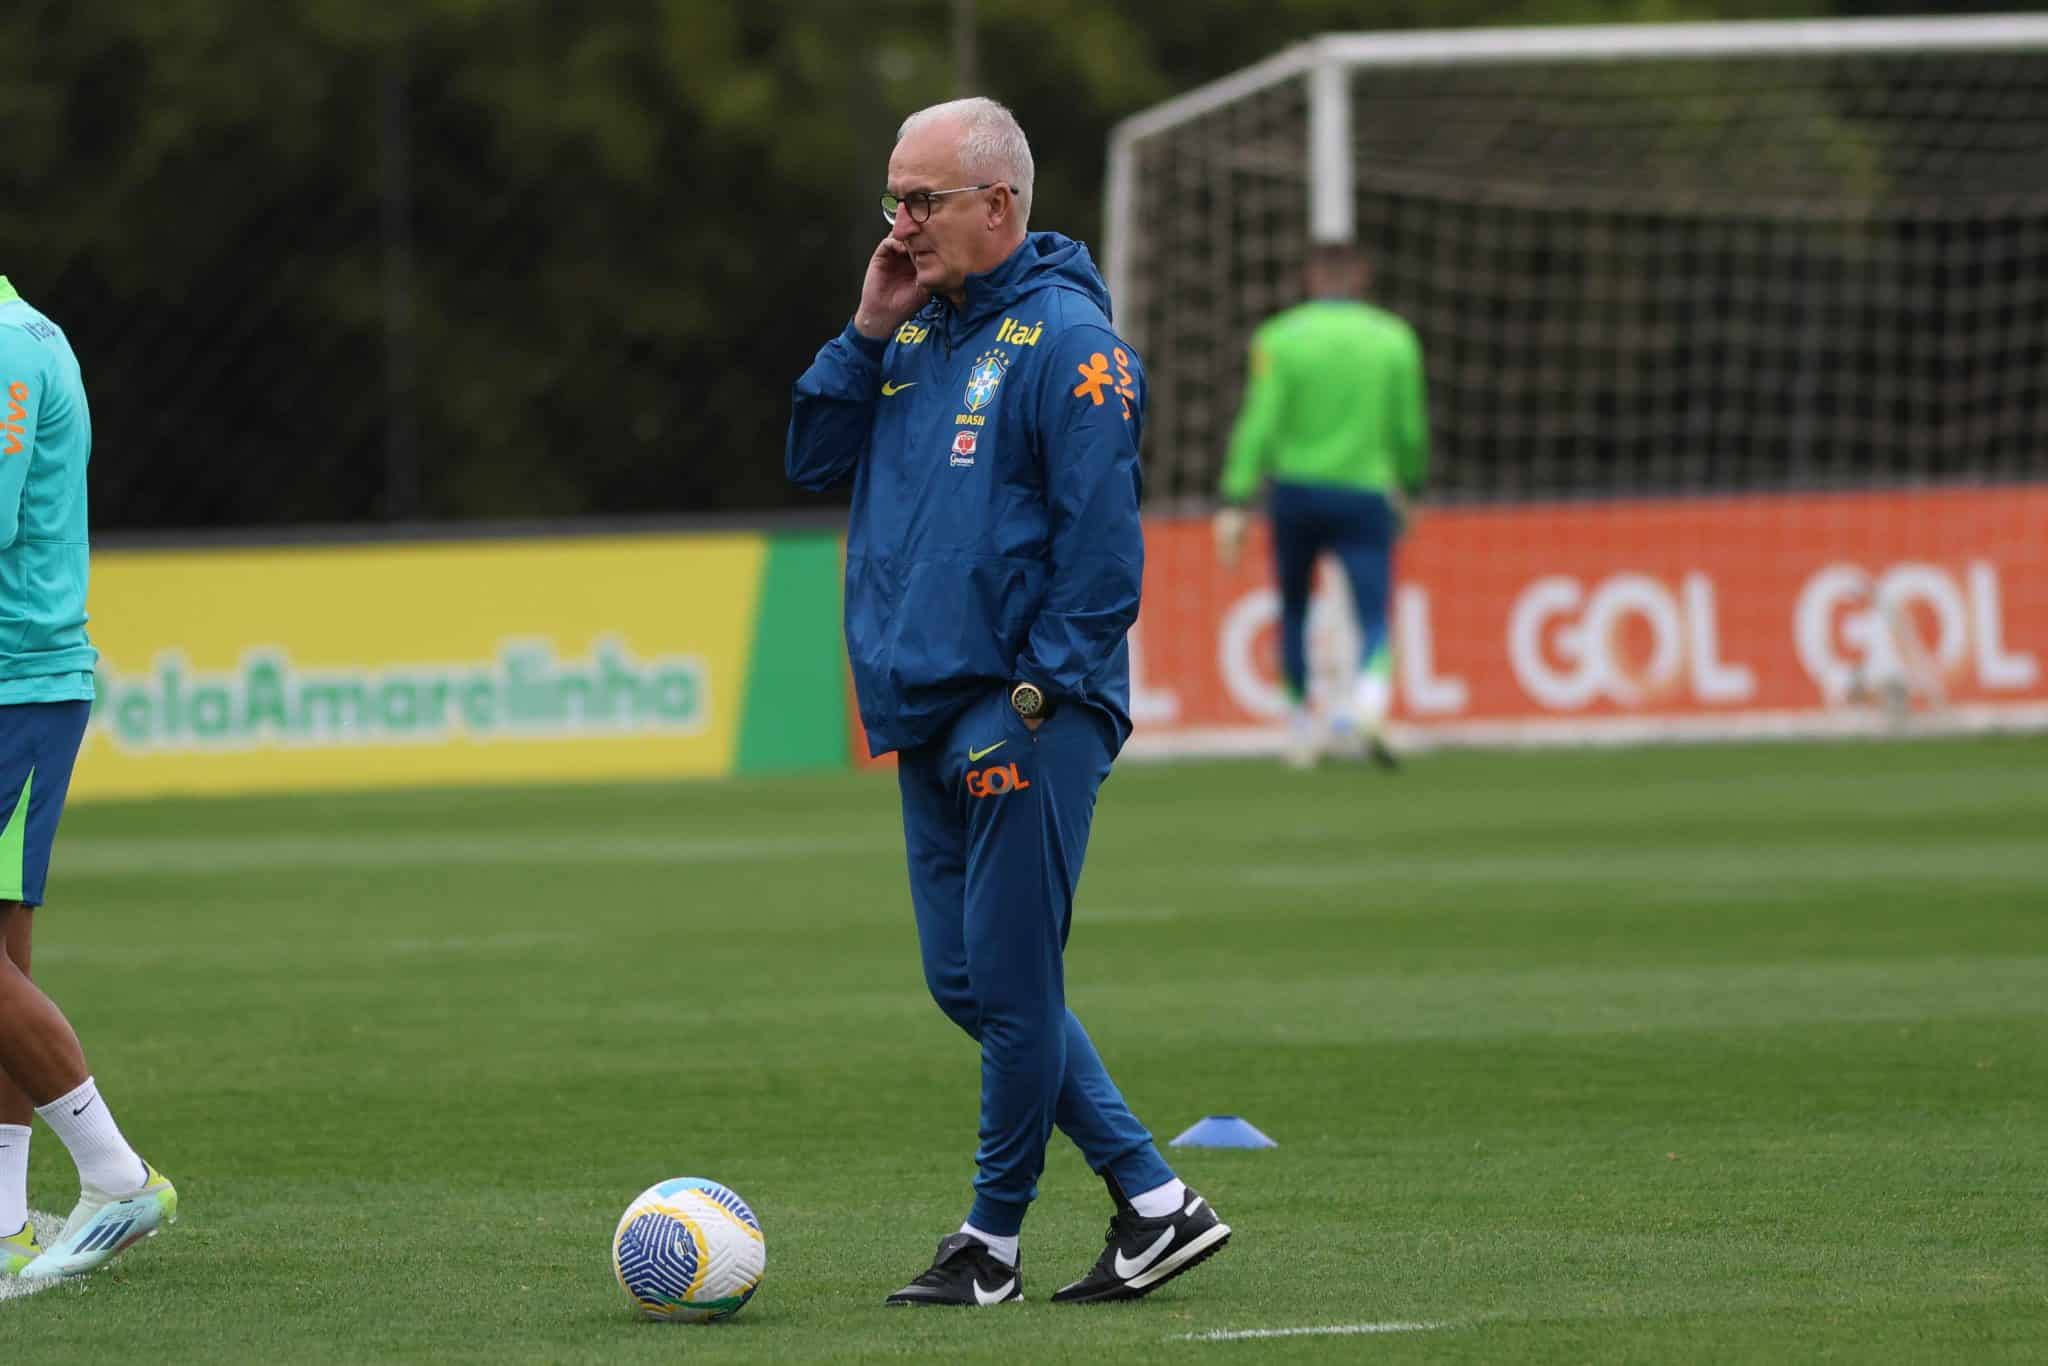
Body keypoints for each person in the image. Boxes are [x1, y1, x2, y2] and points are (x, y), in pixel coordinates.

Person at [785, 98, 1229, 1307]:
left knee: (1014, 986)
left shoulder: (1071, 344)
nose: (900, 222)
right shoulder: (913, 328)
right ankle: (1154, 1199)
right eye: (891, 197)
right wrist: (866, 326)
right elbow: (813, 458)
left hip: (1022, 710)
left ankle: (990, 1242)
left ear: (1000, 204)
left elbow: (1103, 559)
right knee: (968, 985)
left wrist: (1036, 695)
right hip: (921, 702)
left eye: (921, 199)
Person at [0, 274, 177, 1281]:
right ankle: (3, 1224)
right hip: (21, 681)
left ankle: (117, 1176)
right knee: (1, 962)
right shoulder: (26, 335)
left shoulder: (7, 345)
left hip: (12, 684)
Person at [1213, 244, 1430, 769]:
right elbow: (1408, 427)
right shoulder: (1393, 339)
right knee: (1374, 609)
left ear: (1311, 278)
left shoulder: (1279, 338)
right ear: (1361, 277)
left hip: (1295, 491)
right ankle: (1370, 703)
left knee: (1293, 606)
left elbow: (1259, 421)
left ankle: (1299, 728)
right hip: (1364, 490)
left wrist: (1236, 496)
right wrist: (1411, 485)